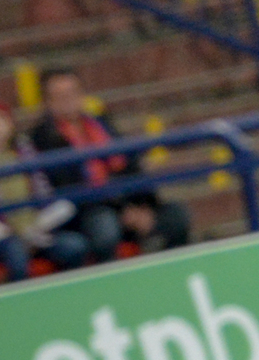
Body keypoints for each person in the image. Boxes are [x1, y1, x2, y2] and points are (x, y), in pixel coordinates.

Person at [29, 69, 191, 262]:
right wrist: (122, 211)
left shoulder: (101, 123)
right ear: (47, 102)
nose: (68, 100)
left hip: (126, 202)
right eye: (60, 96)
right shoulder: (43, 138)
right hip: (85, 212)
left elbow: (131, 163)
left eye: (73, 93)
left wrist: (142, 206)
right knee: (105, 228)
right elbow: (69, 186)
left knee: (176, 216)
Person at [0, 102, 84, 282]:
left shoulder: (27, 153)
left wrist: (34, 230)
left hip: (36, 231)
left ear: (10, 125)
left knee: (74, 246)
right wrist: (10, 235)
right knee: (15, 252)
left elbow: (49, 198)